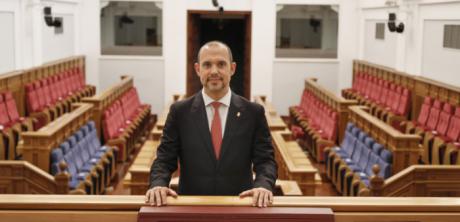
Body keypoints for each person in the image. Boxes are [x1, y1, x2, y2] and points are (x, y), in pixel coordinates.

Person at [145, 41, 277, 208]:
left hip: (240, 207)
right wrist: (158, 183)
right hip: (191, 208)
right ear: (198, 69)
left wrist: (263, 186)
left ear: (232, 68)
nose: (214, 71)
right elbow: (164, 159)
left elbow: (265, 160)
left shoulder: (253, 112)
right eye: (207, 65)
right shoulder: (180, 112)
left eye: (221, 64)